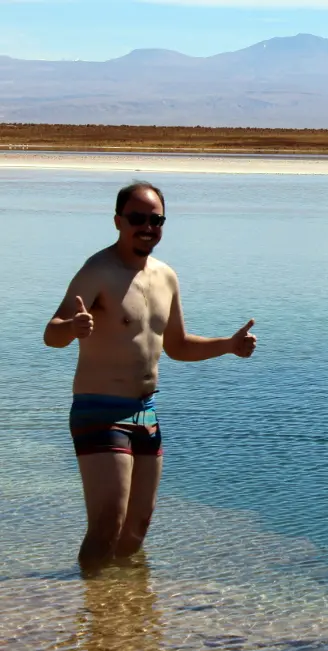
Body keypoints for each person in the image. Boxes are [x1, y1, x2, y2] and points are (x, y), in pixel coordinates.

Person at [43, 181, 257, 571]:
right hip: (99, 411)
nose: (147, 226)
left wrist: (227, 345)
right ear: (118, 221)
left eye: (155, 219)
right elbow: (51, 333)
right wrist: (72, 327)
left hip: (146, 413)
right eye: (137, 218)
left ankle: (122, 615)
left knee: (135, 532)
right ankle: (90, 613)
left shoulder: (166, 277)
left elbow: (177, 346)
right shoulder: (98, 271)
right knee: (107, 525)